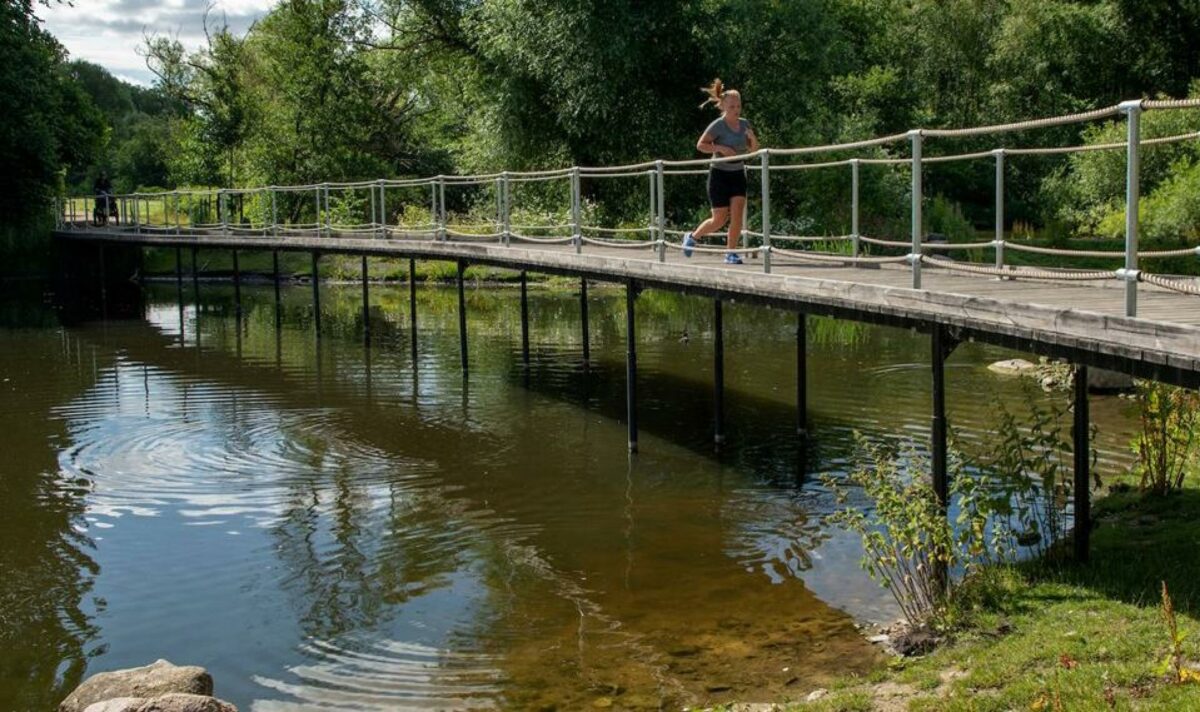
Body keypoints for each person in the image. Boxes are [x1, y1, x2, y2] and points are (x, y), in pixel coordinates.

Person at [683, 78, 759, 264]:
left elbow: (754, 151)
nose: (736, 110)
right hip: (719, 174)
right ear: (724, 107)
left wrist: (752, 137)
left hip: (737, 173)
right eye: (732, 106)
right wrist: (720, 148)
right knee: (719, 219)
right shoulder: (718, 125)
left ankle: (730, 253)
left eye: (738, 106)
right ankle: (693, 237)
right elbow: (701, 145)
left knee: (737, 215)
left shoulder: (744, 124)